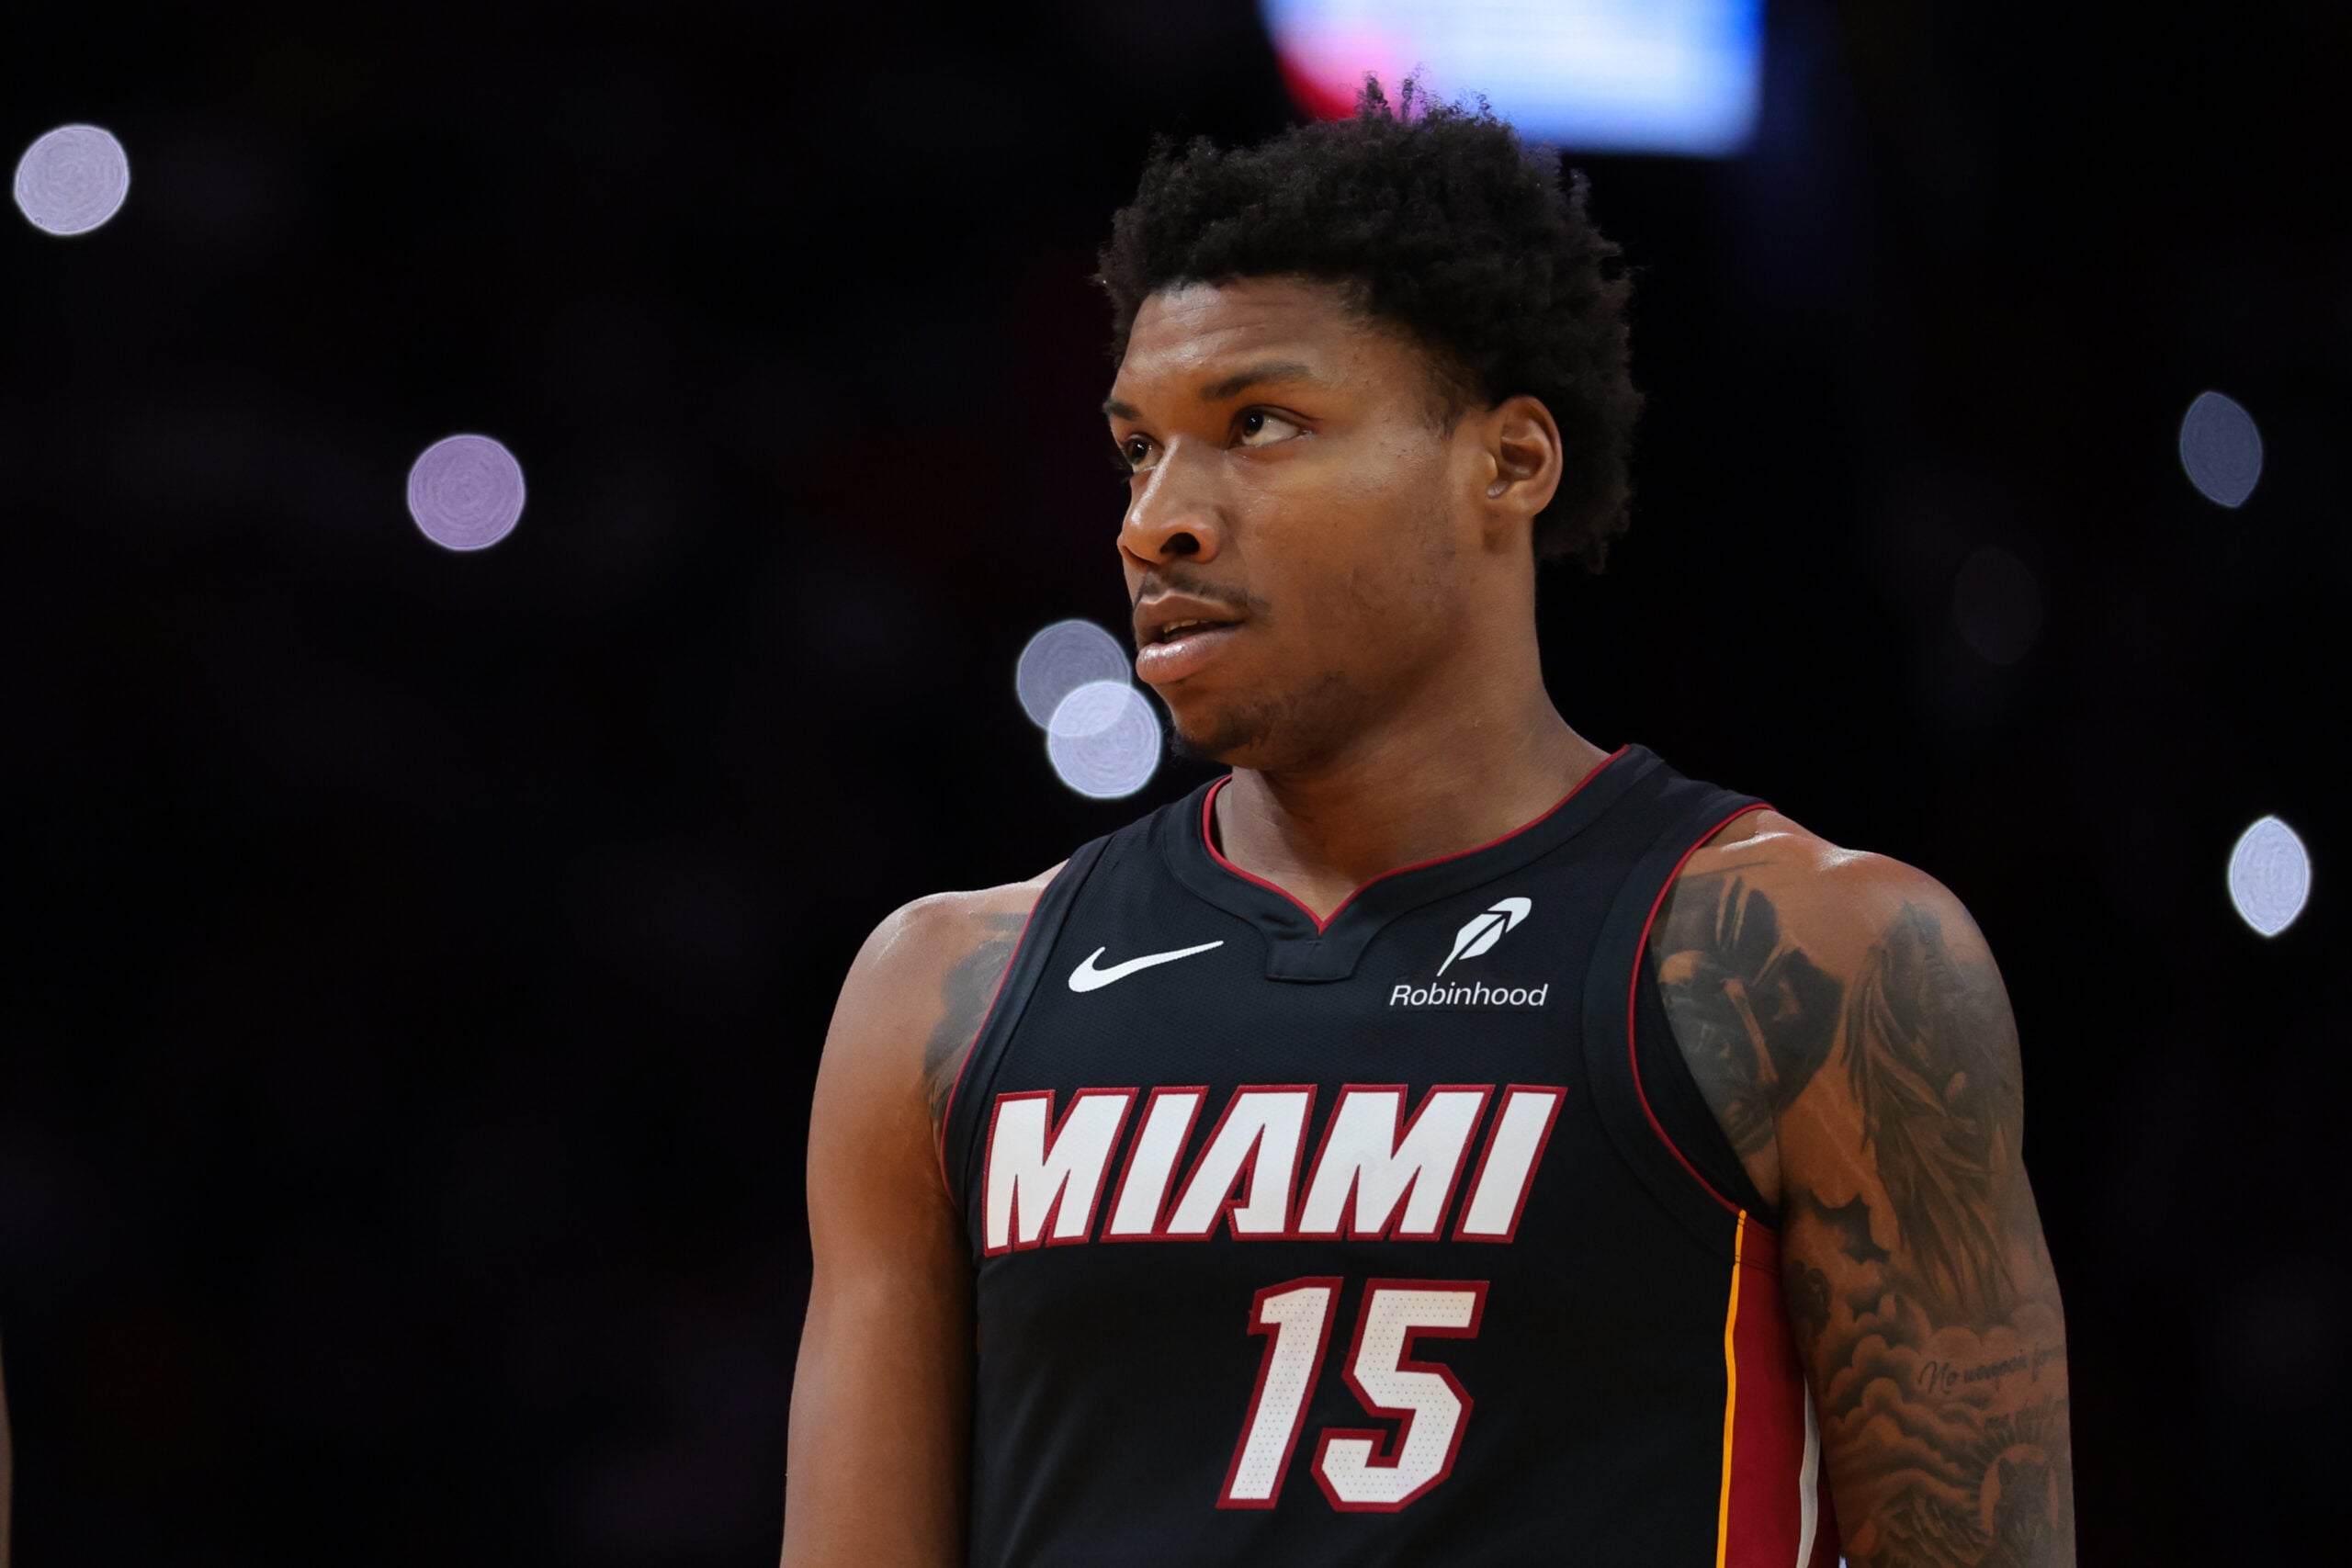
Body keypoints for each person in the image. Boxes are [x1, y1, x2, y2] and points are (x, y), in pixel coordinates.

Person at [780, 77, 2074, 1567]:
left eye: (1258, 423)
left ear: (1509, 461)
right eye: (1139, 447)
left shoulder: (1816, 964)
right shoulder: (938, 999)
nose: (1154, 520)